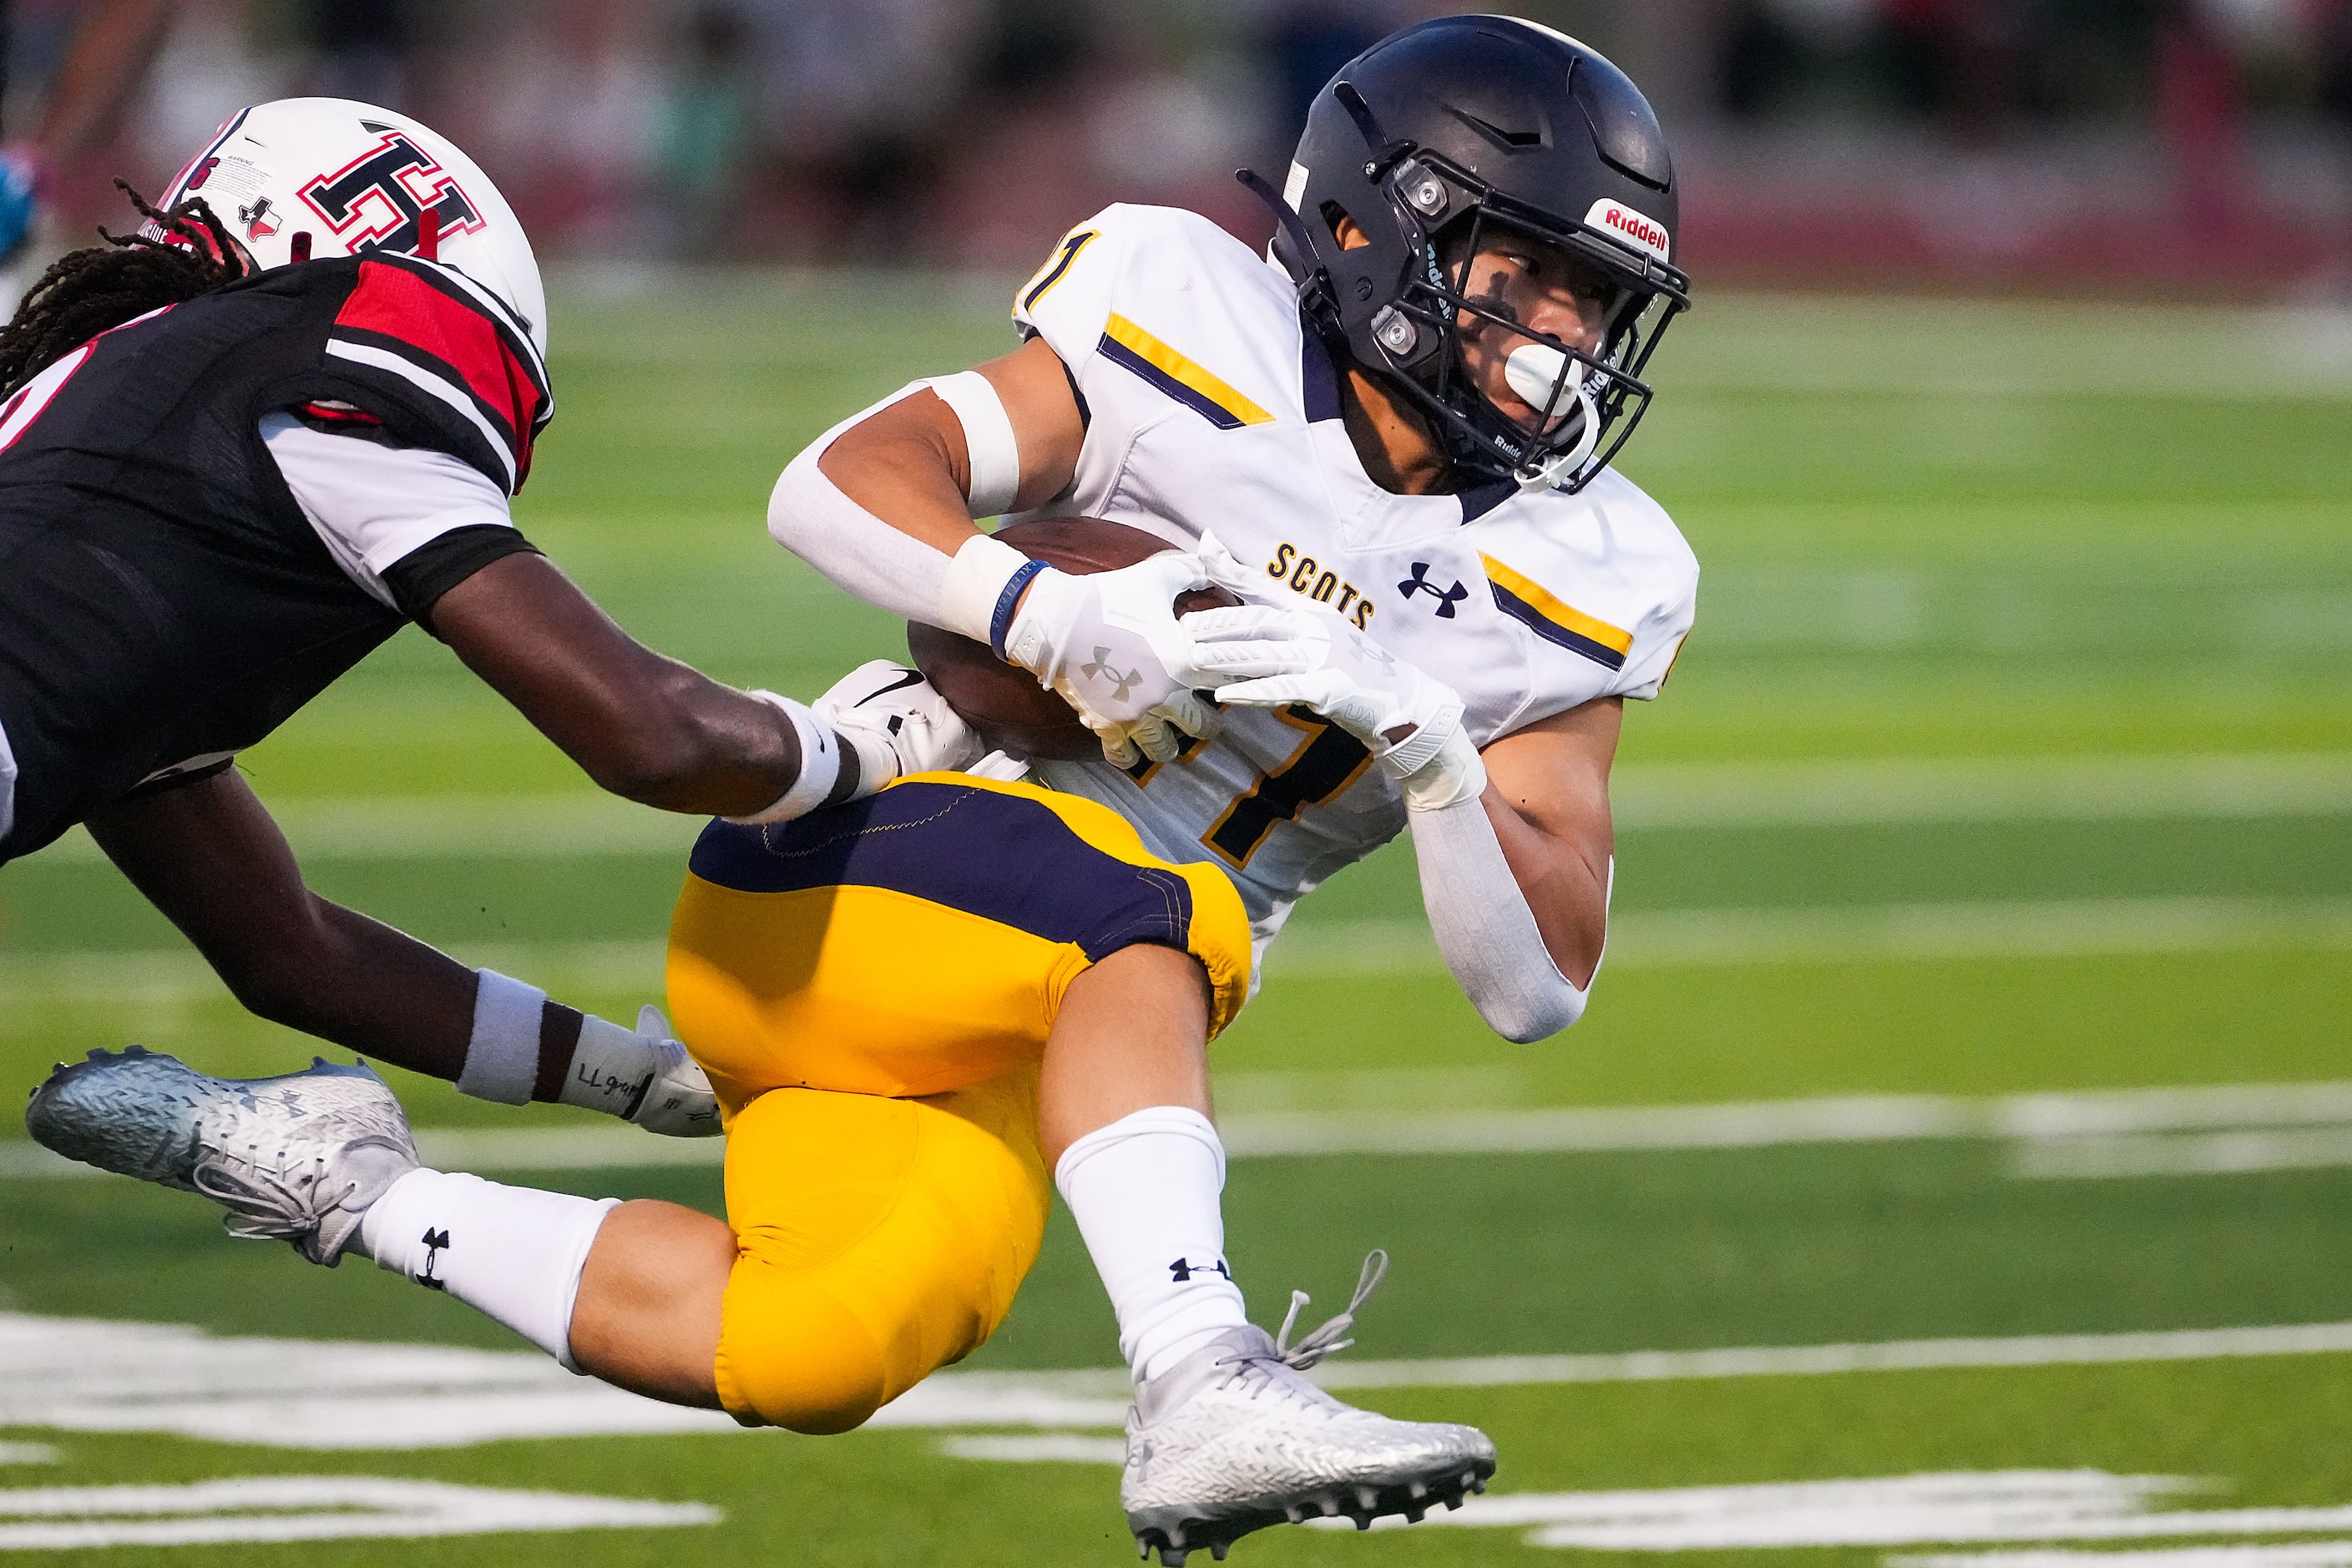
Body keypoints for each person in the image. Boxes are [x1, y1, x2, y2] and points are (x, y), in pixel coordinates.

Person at [30, 19, 1699, 1565]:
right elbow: (831, 484)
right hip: (856, 863)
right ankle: (1200, 1370)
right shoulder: (1185, 312)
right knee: (1155, 901)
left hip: (1034, 1025)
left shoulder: (1594, 569)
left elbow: (1530, 991)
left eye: (1591, 298)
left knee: (818, 1346)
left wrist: (1423, 747)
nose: (1562, 329)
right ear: (1373, 229)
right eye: (1528, 269)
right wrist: (1056, 614)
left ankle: (342, 1180)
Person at [0, 98, 994, 1138]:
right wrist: (874, 749)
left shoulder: (129, 481)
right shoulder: (318, 369)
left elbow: (289, 954)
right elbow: (648, 735)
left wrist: (635, 1075)